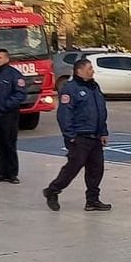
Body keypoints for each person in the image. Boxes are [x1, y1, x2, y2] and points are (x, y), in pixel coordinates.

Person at [44, 59, 112, 212]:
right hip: (80, 136)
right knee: (73, 167)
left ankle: (92, 200)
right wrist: (70, 136)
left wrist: (103, 132)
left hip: (95, 136)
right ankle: (52, 190)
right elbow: (64, 114)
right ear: (79, 71)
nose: (92, 71)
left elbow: (101, 111)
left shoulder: (94, 87)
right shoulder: (70, 89)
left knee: (96, 169)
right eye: (89, 69)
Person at [0, 49, 29, 184]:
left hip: (8, 115)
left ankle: (12, 174)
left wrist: (5, 105)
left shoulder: (14, 75)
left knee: (9, 144)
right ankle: (2, 172)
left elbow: (20, 94)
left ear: (7, 59)